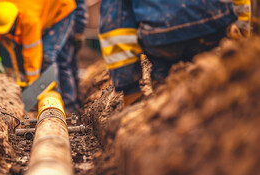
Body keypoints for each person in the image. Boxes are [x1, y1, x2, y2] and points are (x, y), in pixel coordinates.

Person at [99, 0, 251, 106]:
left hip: (162, 37)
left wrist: (130, 88)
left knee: (167, 93)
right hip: (214, 22)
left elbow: (115, 23)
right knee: (222, 87)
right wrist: (242, 32)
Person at [0, 0, 76, 108]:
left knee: (47, 55)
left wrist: (34, 83)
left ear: (14, 22)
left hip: (60, 9)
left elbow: (32, 53)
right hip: (39, 10)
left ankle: (66, 104)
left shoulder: (29, 21)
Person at [57, 0, 87, 111]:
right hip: (65, 23)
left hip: (64, 24)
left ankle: (69, 106)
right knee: (68, 63)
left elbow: (79, 6)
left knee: (62, 63)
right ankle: (74, 102)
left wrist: (78, 30)